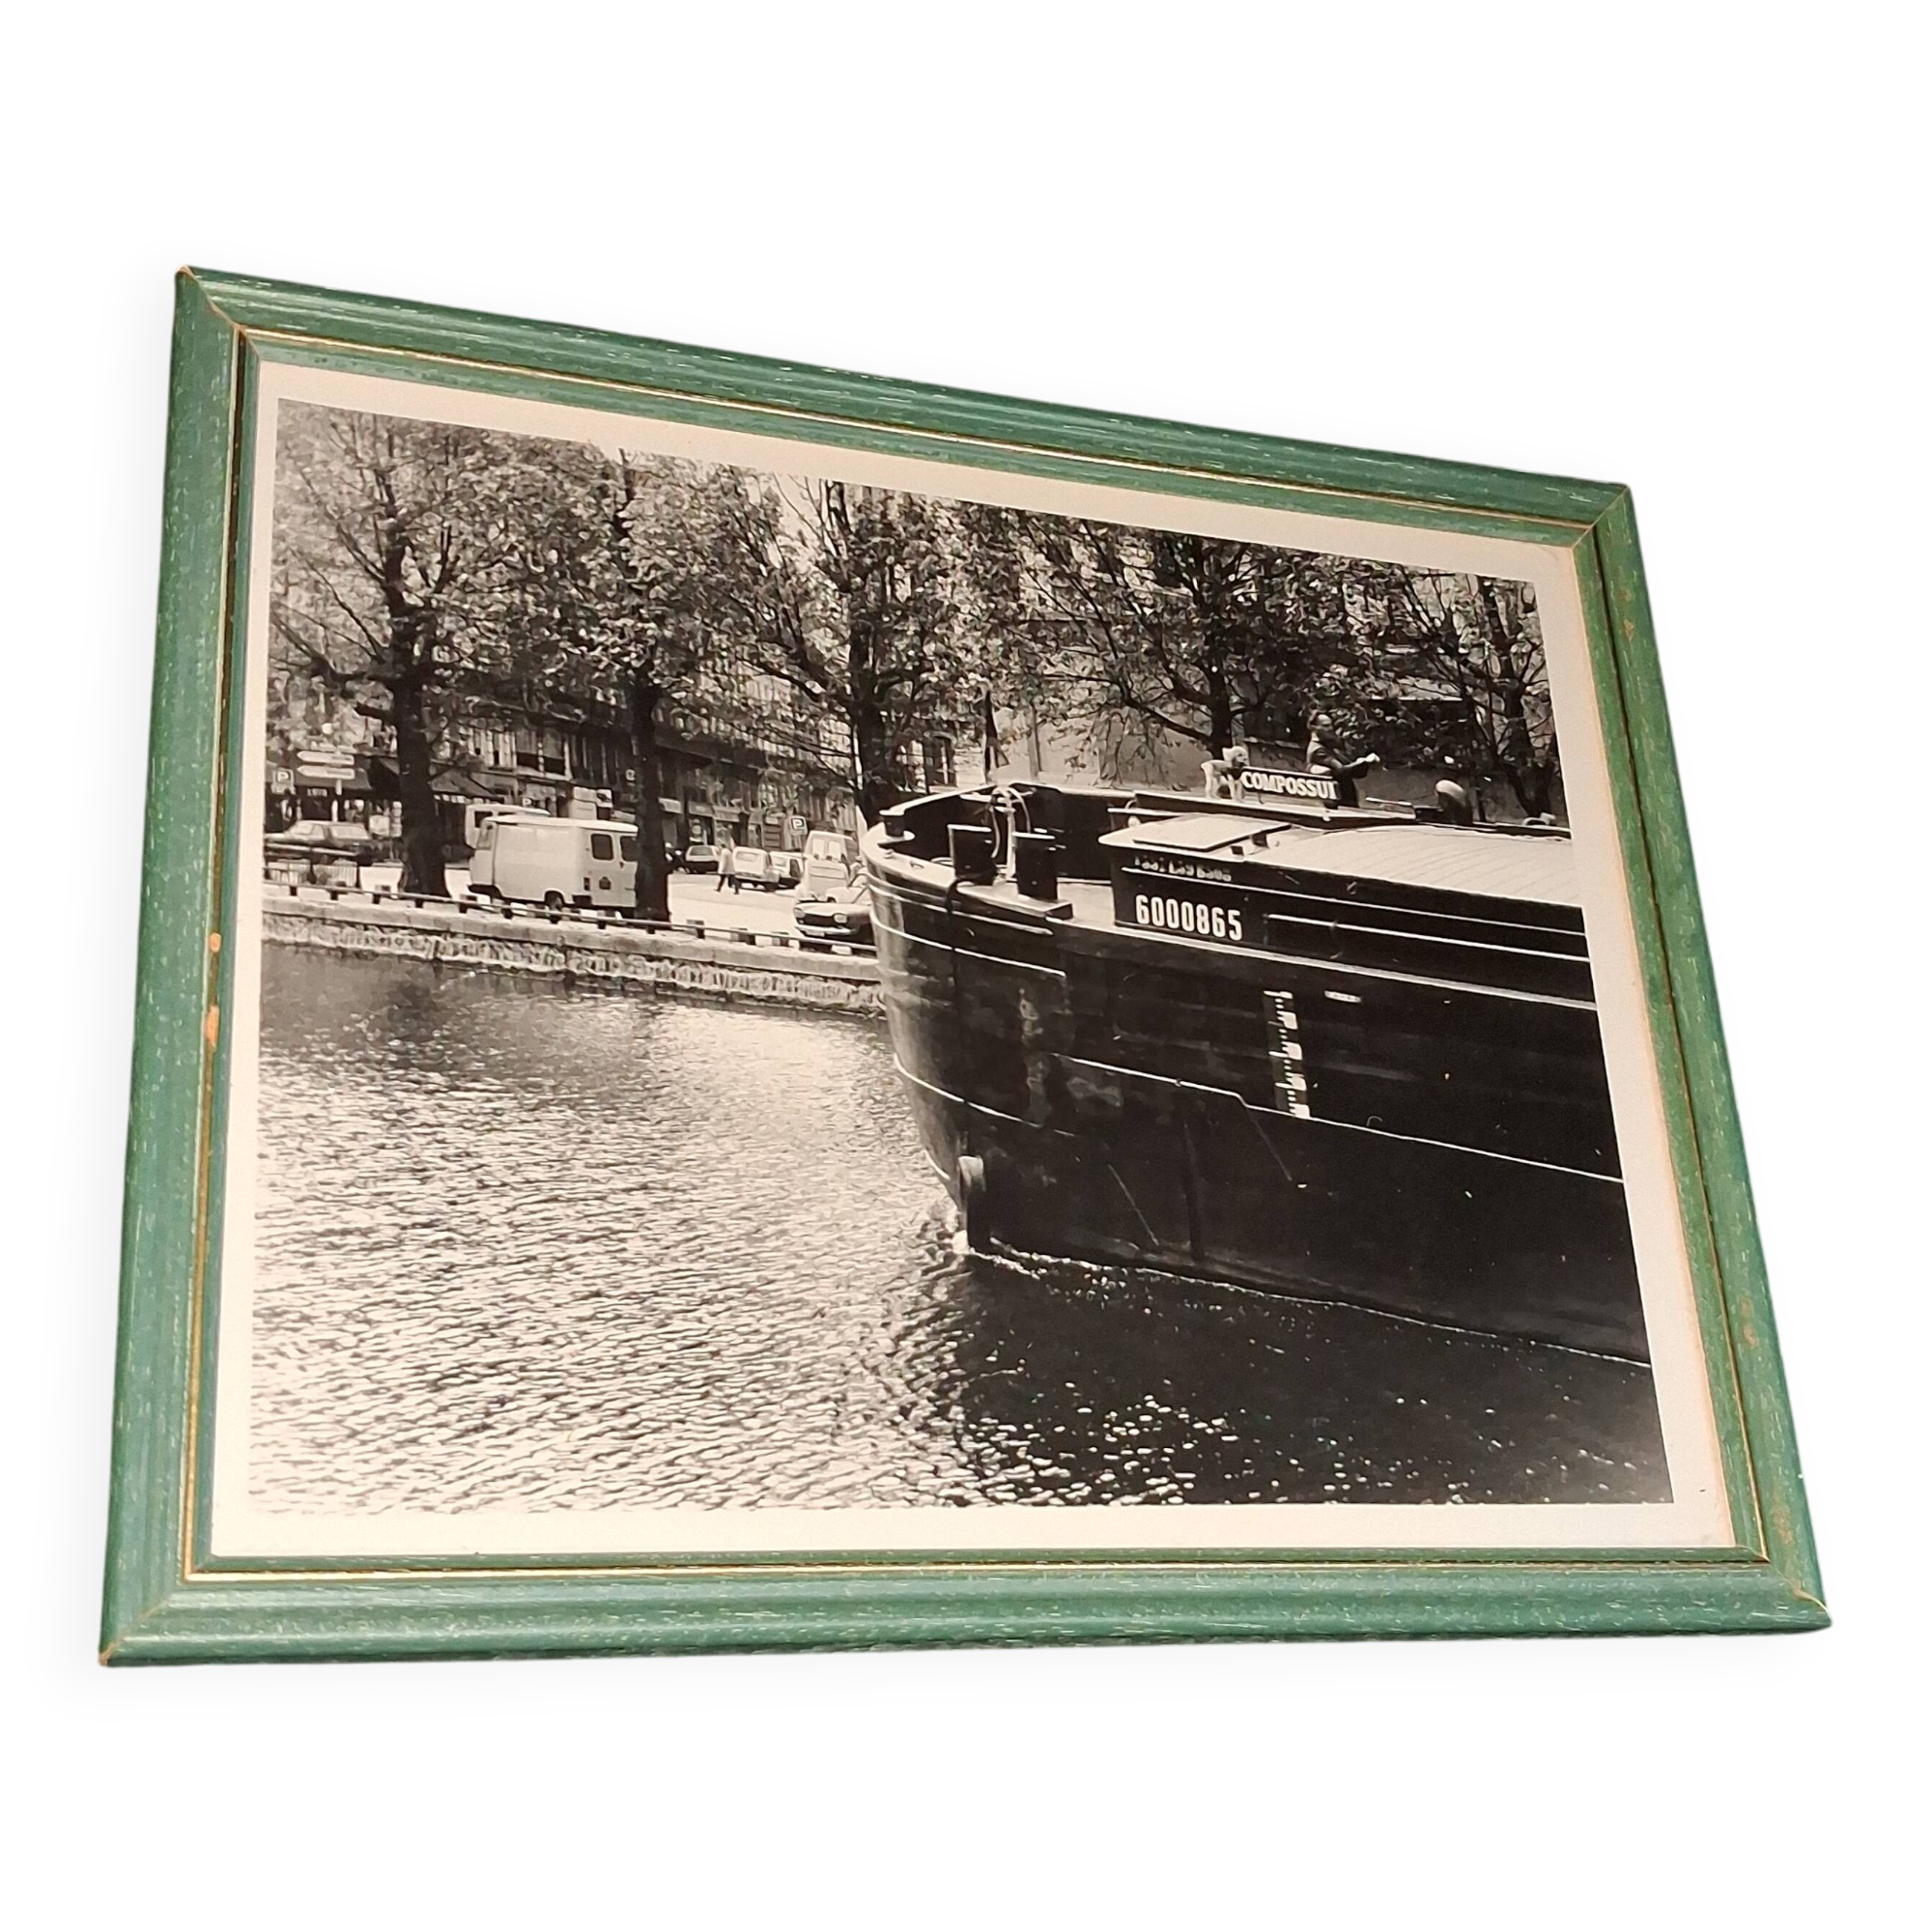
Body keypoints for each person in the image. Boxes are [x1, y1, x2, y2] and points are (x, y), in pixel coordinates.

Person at [1304, 714, 1380, 805]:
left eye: (1331, 725)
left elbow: (1355, 772)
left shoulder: (1331, 747)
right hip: (1335, 803)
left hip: (1346, 801)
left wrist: (1366, 763)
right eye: (1325, 726)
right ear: (1314, 728)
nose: (1330, 729)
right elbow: (1341, 771)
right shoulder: (1318, 750)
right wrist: (1363, 761)